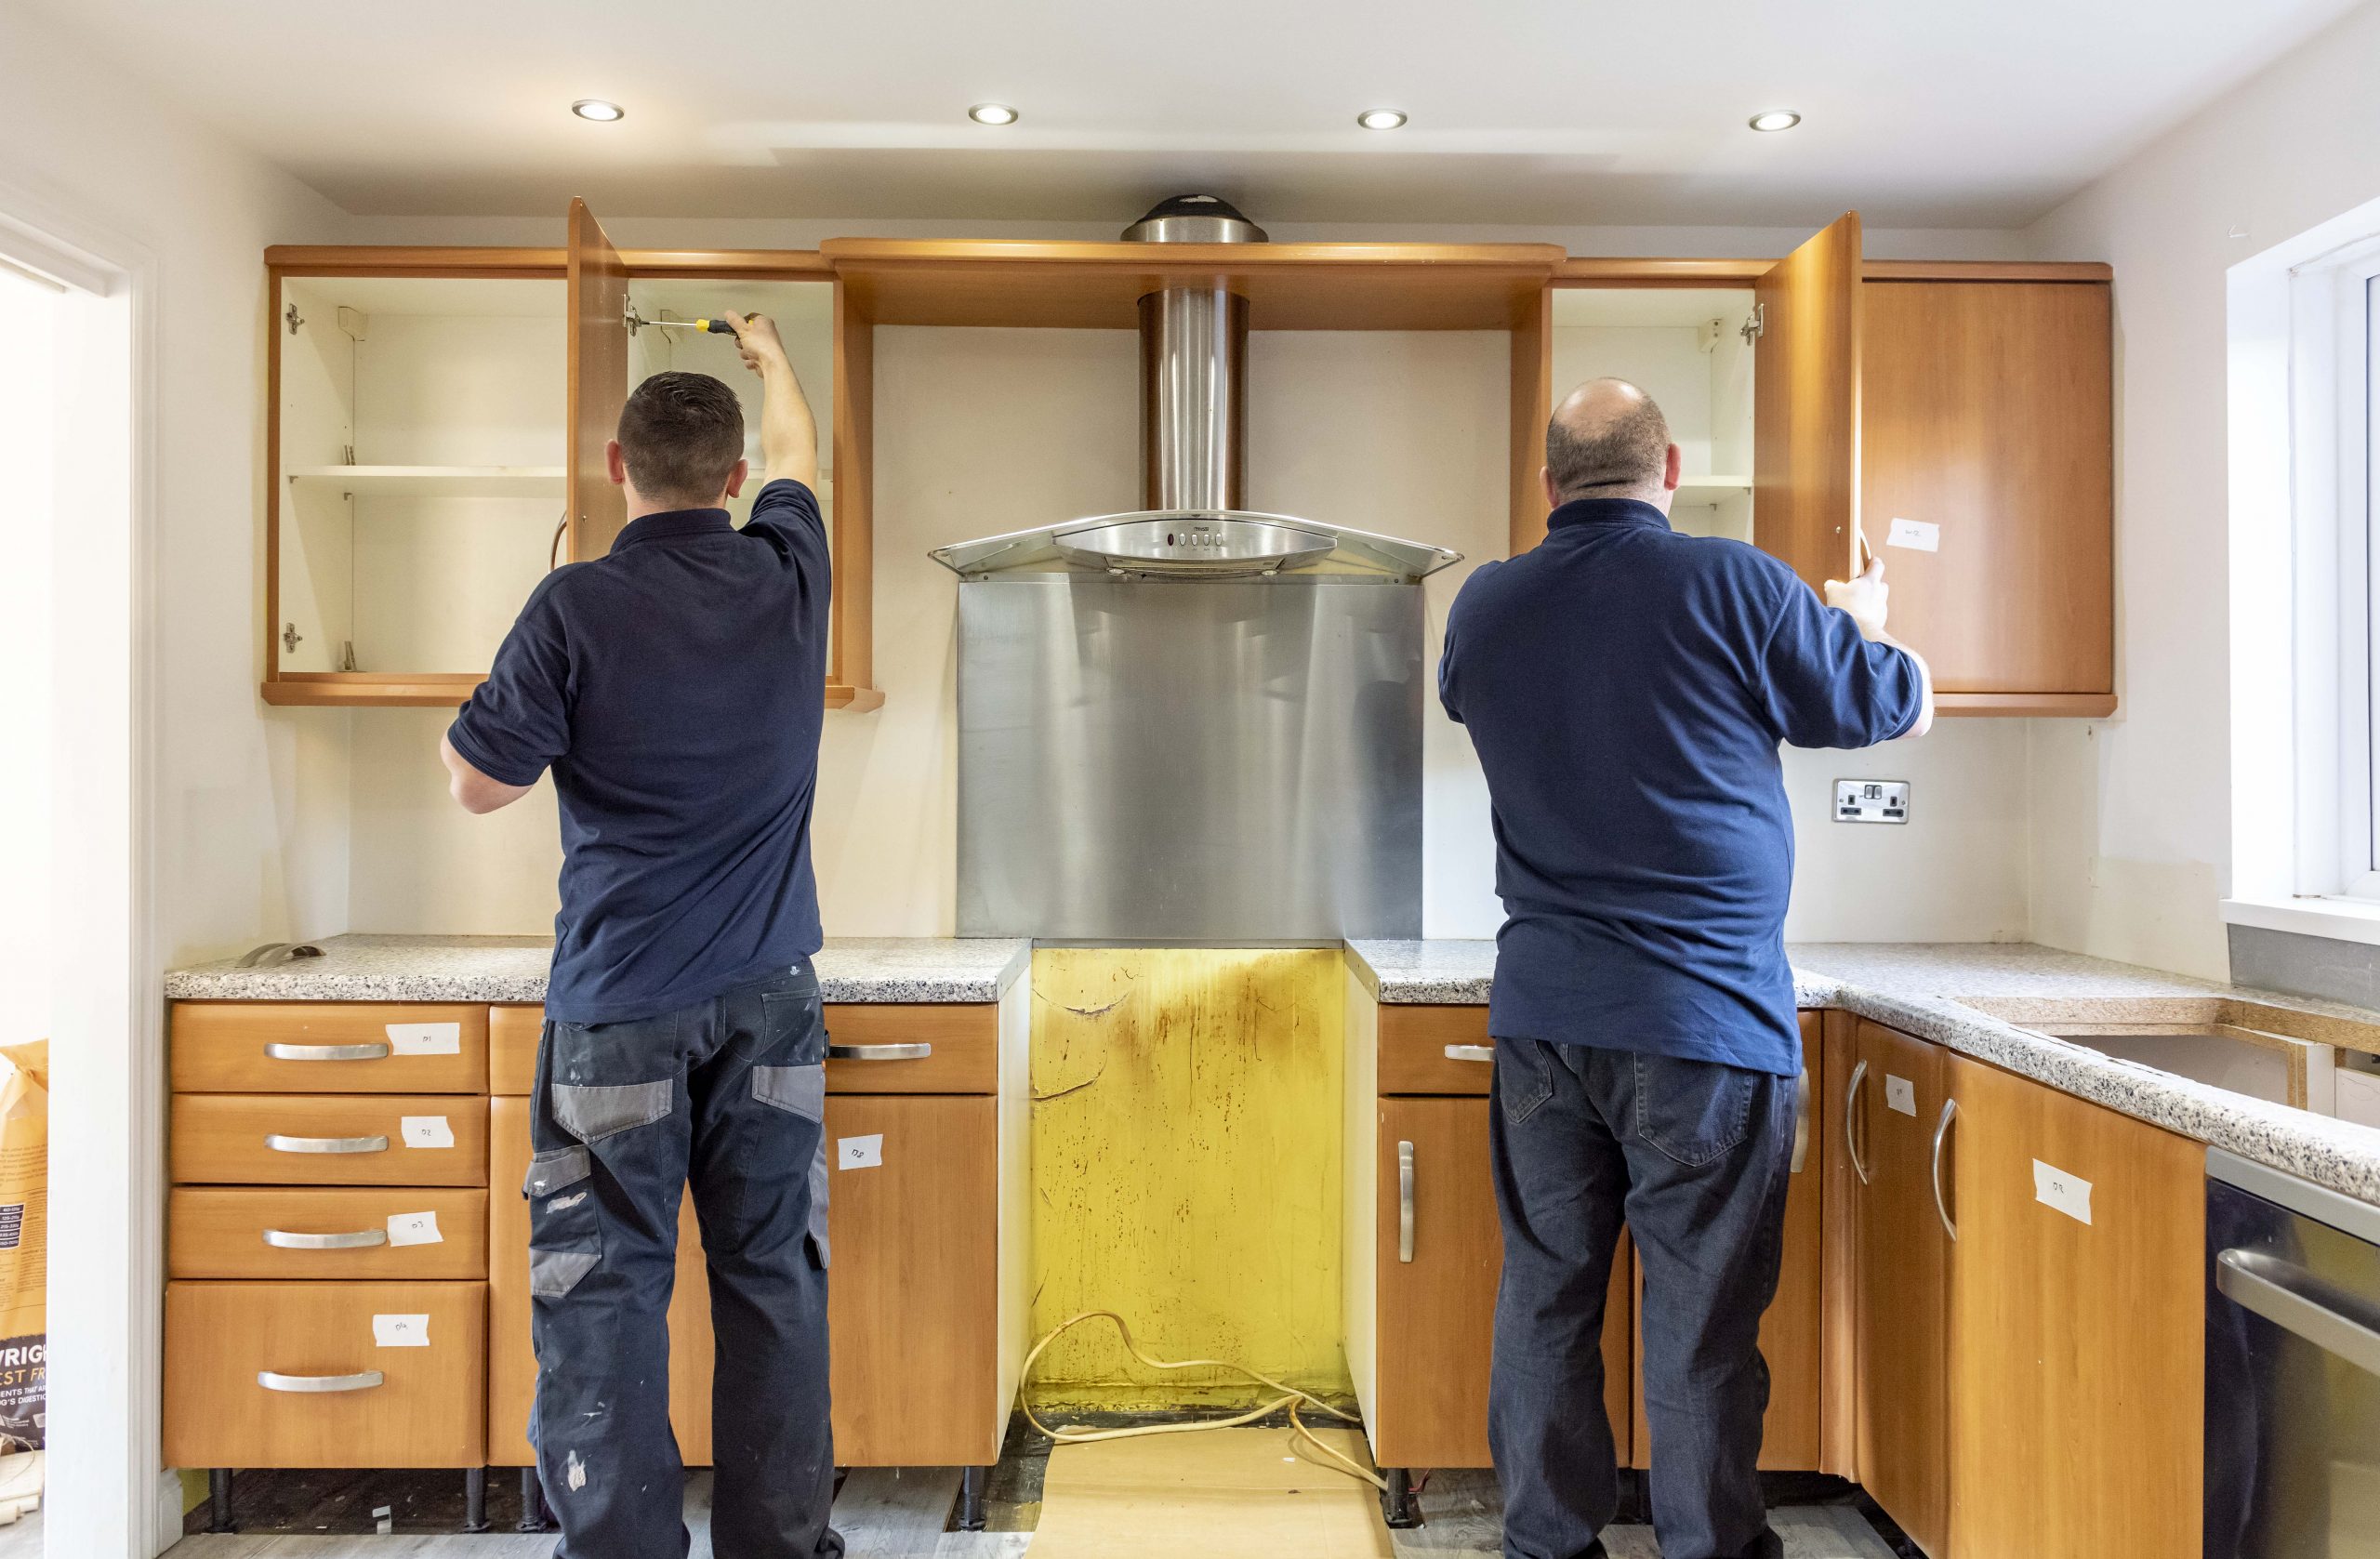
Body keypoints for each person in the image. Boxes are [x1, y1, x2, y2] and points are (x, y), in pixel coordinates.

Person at [1439, 378, 1930, 1559]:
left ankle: (1547, 1544)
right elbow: (1889, 709)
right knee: (1700, 1319)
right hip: (1701, 1020)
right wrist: (1860, 619)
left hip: (1545, 1019)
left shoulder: (1485, 605)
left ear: (1547, 485)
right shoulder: (1738, 581)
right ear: (1668, 475)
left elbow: (1476, 699)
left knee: (1546, 1296)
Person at [439, 314, 843, 1559]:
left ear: (618, 464)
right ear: (733, 481)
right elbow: (804, 461)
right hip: (770, 996)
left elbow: (477, 785)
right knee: (773, 1280)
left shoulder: (576, 602)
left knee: (606, 1285)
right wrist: (772, 356)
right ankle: (781, 1546)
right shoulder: (787, 572)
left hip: (620, 1003)